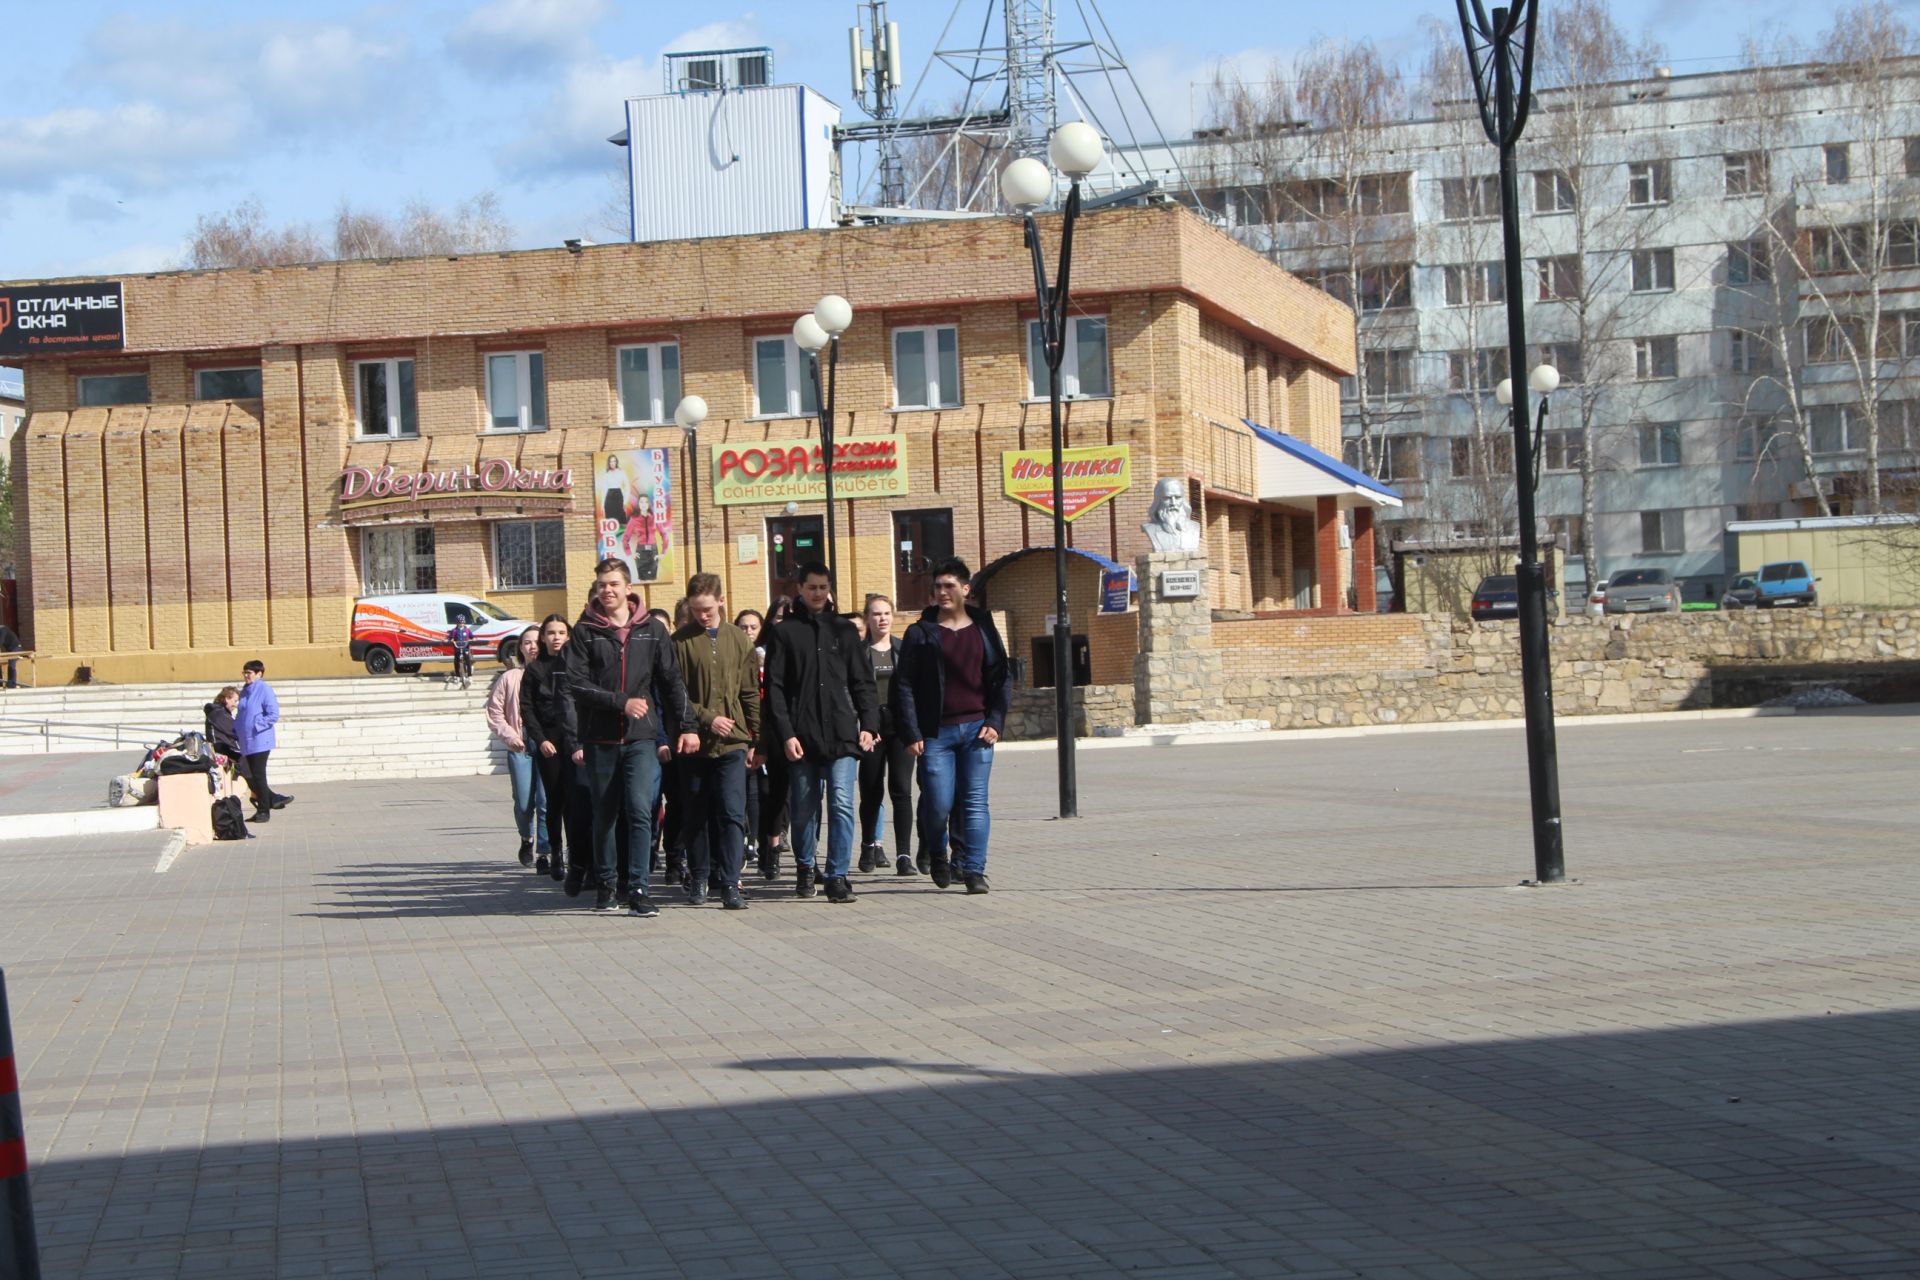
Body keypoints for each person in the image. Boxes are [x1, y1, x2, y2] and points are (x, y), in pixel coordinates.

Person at [562, 558, 699, 917]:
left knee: (641, 811)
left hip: (641, 738)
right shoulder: (585, 631)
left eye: (614, 585)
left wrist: (688, 726)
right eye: (602, 585)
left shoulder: (652, 629)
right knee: (605, 814)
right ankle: (607, 886)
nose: (607, 591)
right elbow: (575, 684)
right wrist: (620, 702)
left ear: (628, 589)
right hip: (600, 738)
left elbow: (672, 682)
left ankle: (639, 887)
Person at [893, 558, 1009, 894]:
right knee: (938, 803)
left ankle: (974, 870)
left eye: (949, 586)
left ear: (965, 589)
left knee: (974, 802)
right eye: (938, 586)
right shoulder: (920, 632)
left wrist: (996, 720)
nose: (942, 592)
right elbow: (904, 685)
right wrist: (912, 732)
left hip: (977, 730)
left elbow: (1002, 676)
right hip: (936, 733)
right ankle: (937, 852)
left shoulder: (983, 625)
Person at [764, 563, 878, 903]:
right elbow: (776, 688)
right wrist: (785, 733)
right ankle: (804, 866)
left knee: (842, 803)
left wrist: (869, 724)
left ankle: (837, 875)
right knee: (803, 807)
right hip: (802, 735)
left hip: (842, 733)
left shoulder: (844, 630)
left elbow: (863, 682)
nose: (817, 593)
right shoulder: (785, 633)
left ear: (830, 588)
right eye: (812, 587)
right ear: (800, 588)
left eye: (823, 587)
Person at [671, 573, 761, 911]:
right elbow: (675, 694)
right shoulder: (679, 642)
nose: (702, 615)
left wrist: (756, 737)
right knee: (695, 812)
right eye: (696, 610)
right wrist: (707, 718)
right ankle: (698, 877)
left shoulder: (739, 639)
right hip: (694, 743)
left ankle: (730, 882)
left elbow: (750, 691)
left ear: (721, 601)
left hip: (733, 743)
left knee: (732, 813)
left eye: (707, 608)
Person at [521, 614, 583, 889]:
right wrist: (540, 739)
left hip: (575, 742)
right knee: (554, 800)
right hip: (549, 743)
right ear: (543, 638)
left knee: (575, 800)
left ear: (568, 635)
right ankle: (555, 852)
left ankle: (575, 856)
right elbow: (528, 709)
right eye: (550, 633)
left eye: (561, 632)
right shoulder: (535, 670)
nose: (556, 637)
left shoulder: (576, 665)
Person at [858, 594, 916, 876]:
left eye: (886, 613)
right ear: (867, 618)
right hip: (870, 729)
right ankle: (868, 846)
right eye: (876, 614)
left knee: (902, 790)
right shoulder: (858, 653)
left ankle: (904, 855)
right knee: (870, 790)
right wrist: (864, 726)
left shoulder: (904, 650)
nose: (882, 618)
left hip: (899, 728)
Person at [487, 627, 550, 870]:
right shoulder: (510, 677)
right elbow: (495, 712)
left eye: (536, 642)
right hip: (520, 743)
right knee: (524, 801)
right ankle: (527, 837)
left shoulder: (551, 673)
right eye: (527, 642)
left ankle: (544, 852)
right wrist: (509, 735)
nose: (532, 646)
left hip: (546, 742)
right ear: (520, 648)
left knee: (546, 801)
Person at [755, 596, 795, 878]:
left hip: (802, 727)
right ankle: (771, 845)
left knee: (805, 795)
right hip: (773, 727)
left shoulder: (801, 645)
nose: (784, 622)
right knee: (776, 792)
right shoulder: (761, 652)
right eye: (780, 617)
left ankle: (806, 854)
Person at [234, 660, 290, 824]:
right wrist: (237, 729)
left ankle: (264, 810)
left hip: (260, 739)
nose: (246, 676)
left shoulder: (264, 689)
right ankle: (268, 803)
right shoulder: (245, 691)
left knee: (258, 775)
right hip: (247, 741)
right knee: (253, 776)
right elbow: (242, 714)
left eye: (249, 673)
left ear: (259, 674)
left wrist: (256, 725)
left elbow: (273, 714)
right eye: (244, 672)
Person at [449, 614, 475, 687]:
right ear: (457, 623)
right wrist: (450, 639)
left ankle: (469, 676)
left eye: (462, 622)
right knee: (456, 661)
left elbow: (472, 637)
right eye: (460, 622)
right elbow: (450, 637)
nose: (461, 624)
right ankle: (457, 676)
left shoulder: (467, 630)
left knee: (468, 661)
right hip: (457, 648)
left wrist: (474, 639)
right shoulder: (454, 631)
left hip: (465, 648)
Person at [0, 622, 21, 689]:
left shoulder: (3, 629)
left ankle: (12, 684)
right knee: (9, 664)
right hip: (10, 649)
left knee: (11, 665)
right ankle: (8, 683)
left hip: (16, 648)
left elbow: (1, 641)